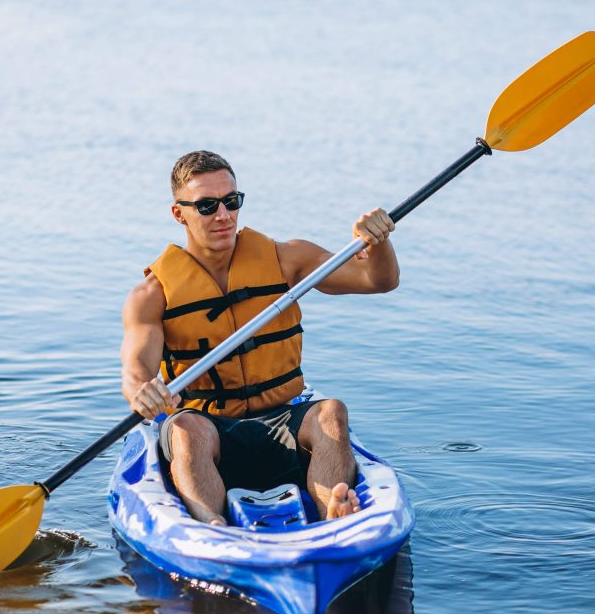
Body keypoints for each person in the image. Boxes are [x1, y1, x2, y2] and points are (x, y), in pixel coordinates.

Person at [121, 150, 399, 526]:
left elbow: (377, 280)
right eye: (206, 206)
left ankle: (333, 516)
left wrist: (376, 244)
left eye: (231, 201)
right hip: (209, 428)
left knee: (332, 412)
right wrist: (142, 390)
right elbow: (136, 369)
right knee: (185, 429)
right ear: (179, 213)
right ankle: (210, 526)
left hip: (284, 418)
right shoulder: (153, 294)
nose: (223, 215)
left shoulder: (287, 259)